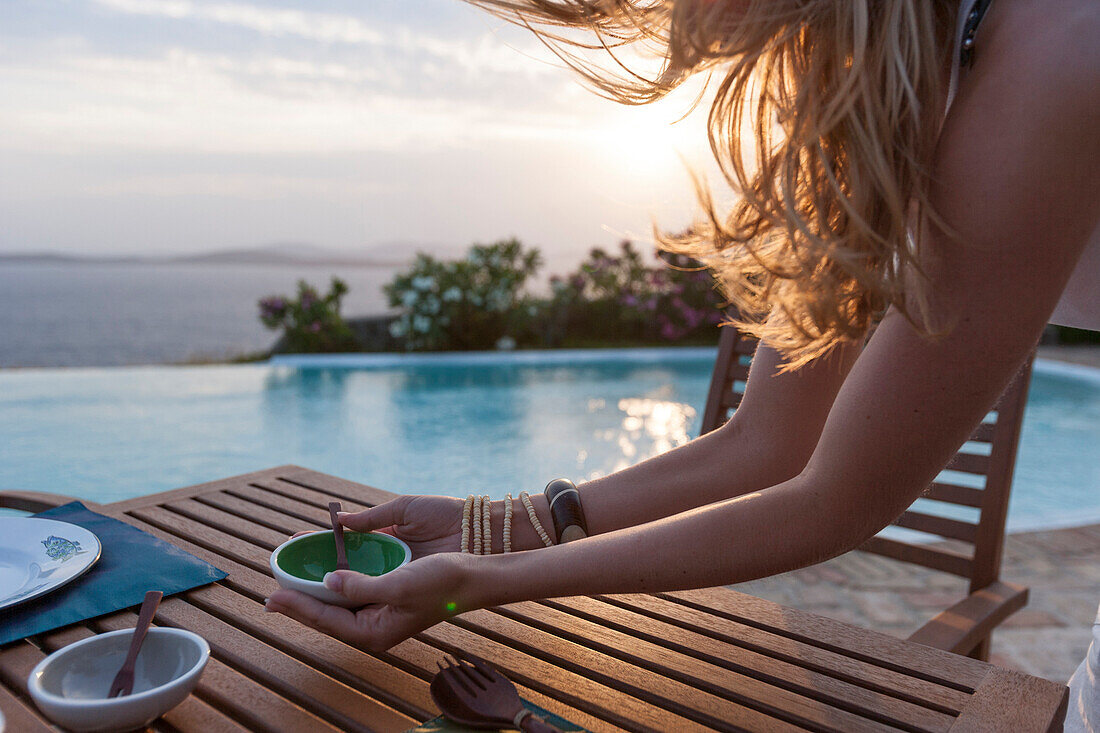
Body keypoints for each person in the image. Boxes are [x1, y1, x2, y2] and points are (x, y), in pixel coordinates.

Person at [265, 0, 1098, 725]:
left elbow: (831, 500)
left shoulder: (1057, 49)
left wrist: (476, 583)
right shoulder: (870, 79)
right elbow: (766, 443)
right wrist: (497, 523)